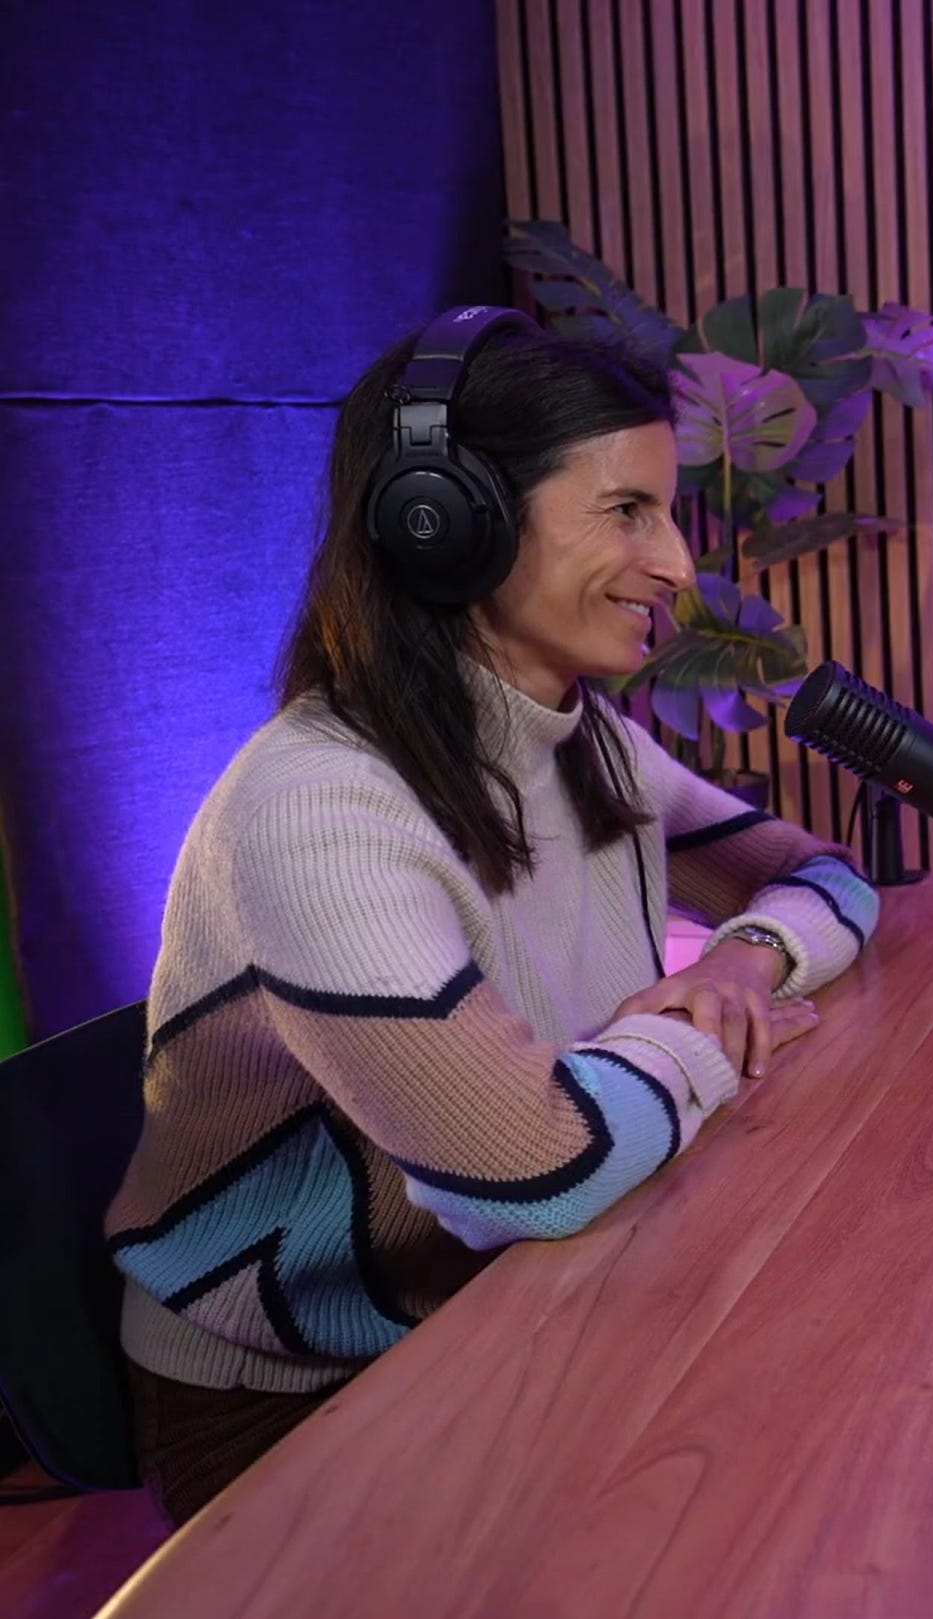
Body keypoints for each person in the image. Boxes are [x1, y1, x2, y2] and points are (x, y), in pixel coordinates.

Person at [101, 309, 881, 1524]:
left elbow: (830, 880)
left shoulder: (586, 742)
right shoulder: (316, 807)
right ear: (446, 520)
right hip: (295, 1386)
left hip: (506, 1294)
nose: (677, 565)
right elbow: (537, 1167)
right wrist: (699, 1041)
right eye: (627, 511)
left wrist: (741, 961)